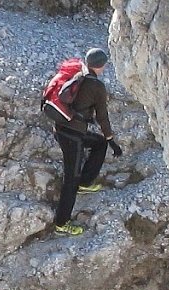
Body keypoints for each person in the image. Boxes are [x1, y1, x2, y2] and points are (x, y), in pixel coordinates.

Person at [52, 47, 123, 237]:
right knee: (70, 179)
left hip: (62, 129)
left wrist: (106, 141)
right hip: (72, 136)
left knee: (98, 144)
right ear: (102, 65)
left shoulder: (77, 75)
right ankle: (61, 223)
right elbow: (103, 117)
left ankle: (85, 182)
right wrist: (112, 140)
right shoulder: (97, 86)